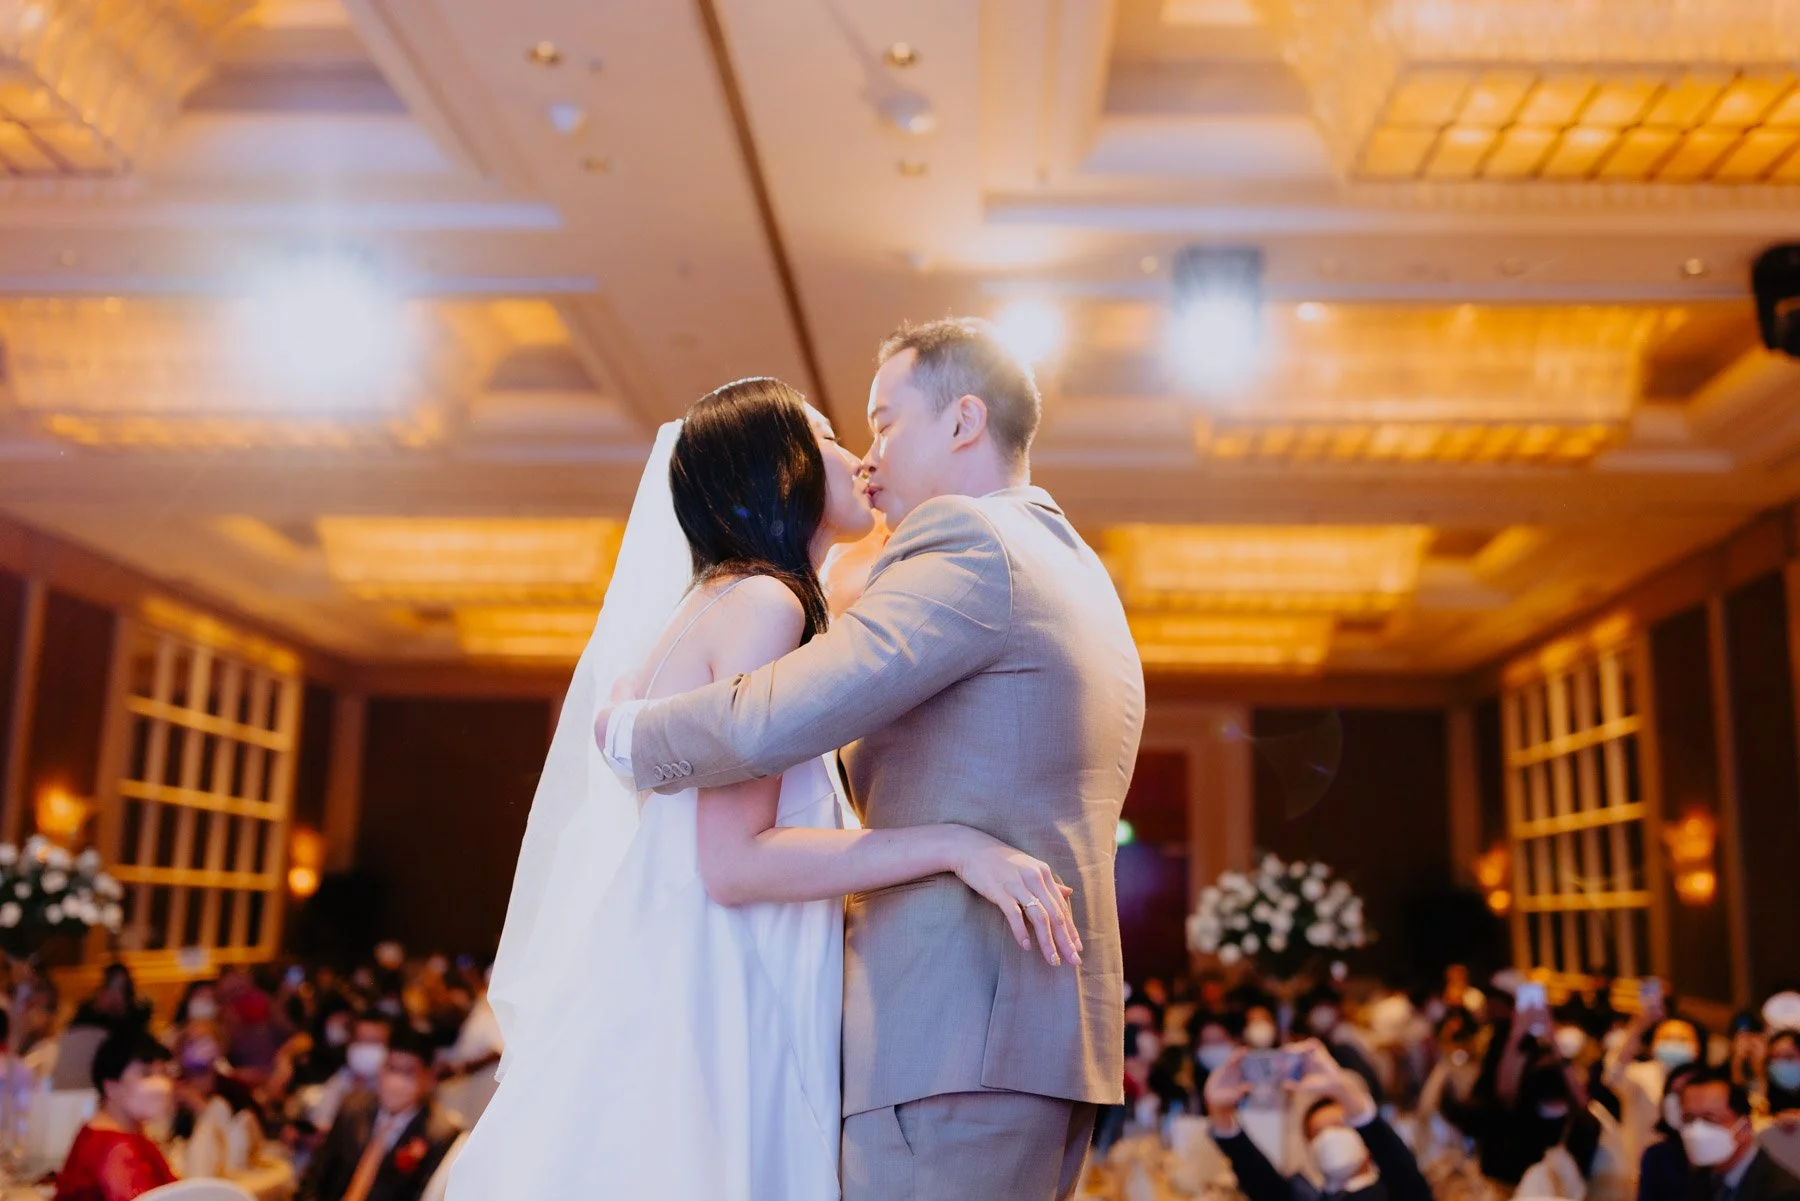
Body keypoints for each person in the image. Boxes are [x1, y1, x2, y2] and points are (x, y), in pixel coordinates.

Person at [457, 364, 1110, 1201]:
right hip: (729, 999)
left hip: (699, 978)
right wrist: (955, 844)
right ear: (780, 469)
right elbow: (736, 864)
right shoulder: (767, 604)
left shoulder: (729, 599)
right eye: (832, 436)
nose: (861, 456)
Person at [1204, 1041, 1432, 1201]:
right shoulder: (1306, 1195)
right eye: (1316, 1133)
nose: (1329, 1137)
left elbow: (1402, 1171)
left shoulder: (1394, 1190)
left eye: (1339, 1126)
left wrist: (1344, 1091)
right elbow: (1260, 1181)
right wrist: (1220, 1113)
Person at [299, 1027, 460, 1201]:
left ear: (428, 1078)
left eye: (408, 1072)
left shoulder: (439, 1135)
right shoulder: (353, 1108)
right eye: (391, 1068)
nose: (395, 1082)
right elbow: (316, 1176)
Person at [54, 1030, 178, 1201]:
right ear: (111, 1087)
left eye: (163, 1073)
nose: (161, 1085)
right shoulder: (115, 1148)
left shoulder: (118, 1133)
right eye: (146, 1074)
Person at [1674, 1070, 1800, 1201]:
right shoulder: (1695, 1177)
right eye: (1689, 1119)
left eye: (1710, 1119)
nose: (1697, 1130)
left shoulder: (1784, 1193)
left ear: (1744, 1128)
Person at [1639, 1061, 1707, 1201]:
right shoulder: (1657, 1156)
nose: (1675, 1101)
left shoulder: (1719, 1149)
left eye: (1683, 1092)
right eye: (1672, 1093)